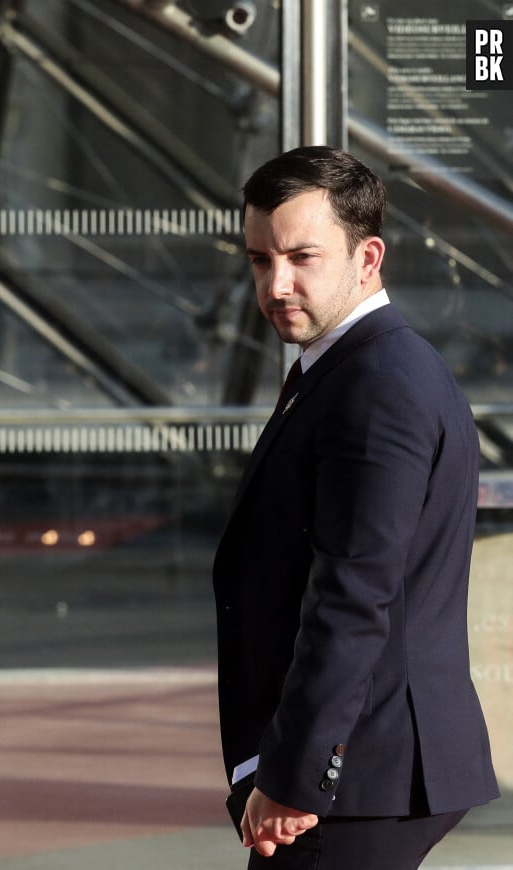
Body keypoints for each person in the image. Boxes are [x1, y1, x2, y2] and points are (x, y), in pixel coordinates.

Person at [213, 146, 499, 869]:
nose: (276, 285)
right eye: (258, 260)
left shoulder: (377, 388)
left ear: (367, 256)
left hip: (363, 772)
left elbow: (354, 595)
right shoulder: (350, 369)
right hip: (369, 765)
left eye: (302, 257)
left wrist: (296, 778)